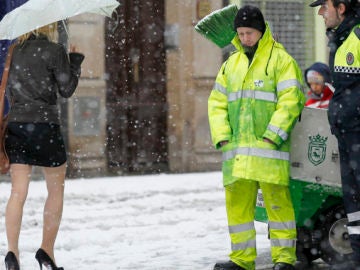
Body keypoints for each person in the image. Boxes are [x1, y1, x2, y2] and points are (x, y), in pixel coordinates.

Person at [208, 5, 305, 270]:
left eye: (249, 32)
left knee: (277, 205)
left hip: (268, 150)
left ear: (261, 32)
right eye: (240, 33)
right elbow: (216, 103)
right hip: (237, 152)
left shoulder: (281, 61)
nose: (244, 38)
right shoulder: (231, 65)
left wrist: (273, 136)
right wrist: (223, 137)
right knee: (238, 208)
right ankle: (241, 259)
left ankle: (284, 259)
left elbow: (291, 100)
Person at [3, 22, 84, 270]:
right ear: (49, 24)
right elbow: (67, 89)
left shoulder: (13, 52)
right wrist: (75, 62)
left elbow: (8, 91)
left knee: (18, 193)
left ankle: (11, 254)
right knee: (55, 190)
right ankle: (46, 252)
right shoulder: (54, 50)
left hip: (17, 126)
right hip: (45, 126)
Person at [309, 0, 360, 269]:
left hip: (356, 132)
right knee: (353, 202)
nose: (320, 12)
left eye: (324, 6)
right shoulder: (339, 41)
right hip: (347, 134)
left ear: (341, 7)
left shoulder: (357, 37)